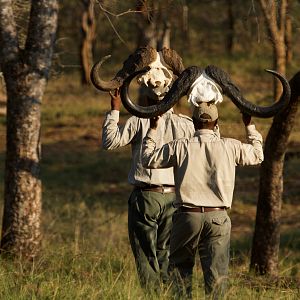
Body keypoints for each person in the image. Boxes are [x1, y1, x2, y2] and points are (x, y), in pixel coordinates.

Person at [142, 102, 264, 298]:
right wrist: (249, 126)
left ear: (194, 122)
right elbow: (258, 156)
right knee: (217, 277)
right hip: (218, 217)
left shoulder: (180, 146)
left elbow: (148, 159)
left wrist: (153, 129)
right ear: (216, 123)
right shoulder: (229, 145)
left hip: (187, 217)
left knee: (180, 272)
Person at [101, 88, 195, 291]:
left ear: (147, 97)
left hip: (145, 197)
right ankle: (170, 292)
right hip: (174, 198)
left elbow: (109, 142)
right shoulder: (186, 124)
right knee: (167, 252)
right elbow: (209, 137)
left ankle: (153, 295)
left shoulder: (139, 120)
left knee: (145, 254)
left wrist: (114, 110)